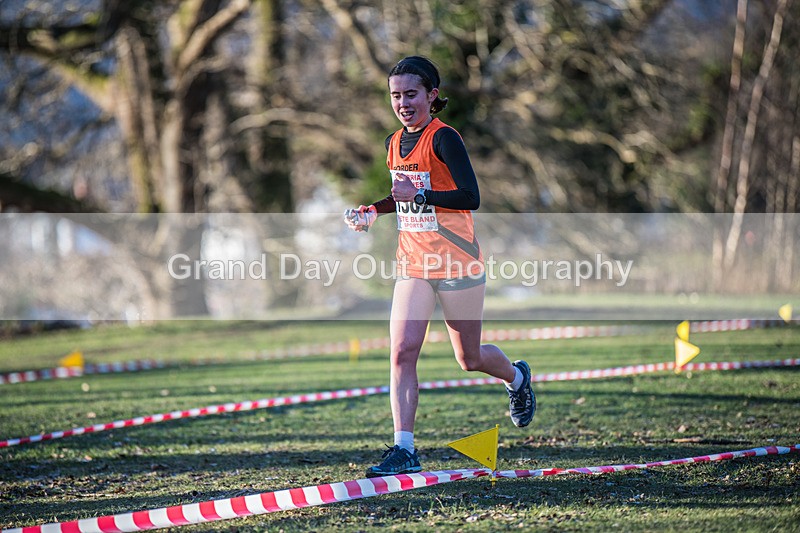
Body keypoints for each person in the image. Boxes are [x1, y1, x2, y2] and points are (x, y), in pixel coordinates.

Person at [344, 56, 535, 477]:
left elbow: (470, 196)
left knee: (468, 358)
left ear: (431, 95)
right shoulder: (394, 142)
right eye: (396, 95)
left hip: (456, 260)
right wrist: (374, 210)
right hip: (414, 262)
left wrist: (421, 198)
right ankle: (404, 447)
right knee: (401, 351)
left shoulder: (445, 138)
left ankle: (517, 379)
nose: (403, 103)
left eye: (411, 94)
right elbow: (402, 195)